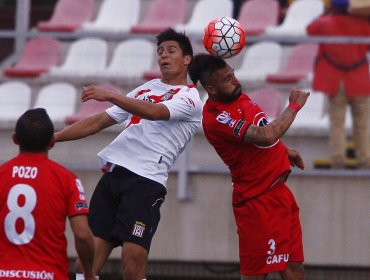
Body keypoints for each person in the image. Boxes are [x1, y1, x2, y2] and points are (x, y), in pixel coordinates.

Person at [54, 28, 202, 280]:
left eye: (170, 50)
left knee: (132, 265)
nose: (163, 55)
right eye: (159, 51)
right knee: (84, 265)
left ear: (187, 59)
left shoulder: (190, 97)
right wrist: (54, 138)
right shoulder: (148, 87)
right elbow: (99, 121)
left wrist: (111, 94)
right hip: (113, 177)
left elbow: (155, 112)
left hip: (145, 183)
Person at [189, 53, 310, 280]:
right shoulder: (217, 118)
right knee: (257, 274)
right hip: (257, 202)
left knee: (294, 269)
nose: (235, 81)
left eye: (233, 74)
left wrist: (283, 150)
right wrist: (293, 106)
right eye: (227, 79)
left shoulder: (238, 97)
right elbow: (264, 135)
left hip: (280, 195)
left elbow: (261, 131)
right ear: (211, 89)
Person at [0, 108, 96, 280]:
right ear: (52, 141)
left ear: (15, 139)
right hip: (50, 274)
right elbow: (82, 235)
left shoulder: (2, 175)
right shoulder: (67, 179)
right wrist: (88, 274)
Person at [307, 0, 370, 169]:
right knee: (362, 123)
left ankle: (338, 160)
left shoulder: (324, 23)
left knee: (337, 123)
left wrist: (325, 12)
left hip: (335, 81)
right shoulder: (363, 23)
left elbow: (310, 29)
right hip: (359, 81)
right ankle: (365, 160)